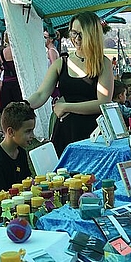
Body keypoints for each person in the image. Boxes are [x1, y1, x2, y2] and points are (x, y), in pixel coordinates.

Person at [27, 11, 114, 157]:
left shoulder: (103, 63)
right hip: (65, 132)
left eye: (82, 34)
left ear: (93, 34)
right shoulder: (62, 62)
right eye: (73, 33)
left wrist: (66, 107)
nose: (77, 39)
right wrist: (23, 105)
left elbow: (103, 103)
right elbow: (41, 94)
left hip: (93, 134)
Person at [0, 101, 35, 196]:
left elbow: (27, 183)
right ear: (10, 132)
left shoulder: (21, 152)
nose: (32, 135)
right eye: (28, 131)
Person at [0, 36, 23, 109]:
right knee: (18, 107)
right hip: (16, 81)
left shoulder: (2, 51)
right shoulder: (17, 51)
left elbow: (3, 65)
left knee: (7, 108)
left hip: (6, 81)